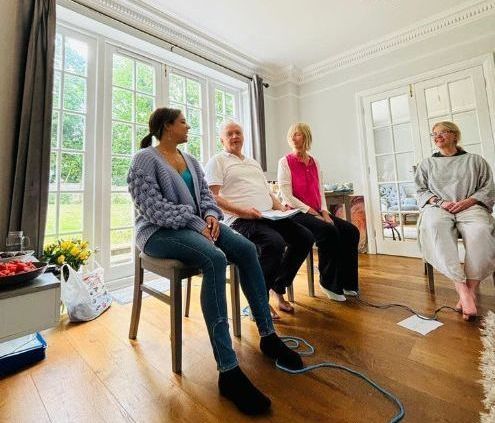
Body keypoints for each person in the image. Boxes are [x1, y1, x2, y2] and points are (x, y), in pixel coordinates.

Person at [127, 108, 303, 415]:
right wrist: (198, 224)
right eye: (183, 122)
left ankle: (267, 336)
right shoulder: (145, 158)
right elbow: (151, 207)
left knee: (247, 249)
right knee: (215, 259)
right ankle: (228, 370)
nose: (188, 125)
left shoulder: (191, 161)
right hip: (158, 232)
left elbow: (208, 199)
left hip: (199, 225)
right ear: (168, 126)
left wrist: (209, 216)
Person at [204, 121, 313, 318]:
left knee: (304, 236)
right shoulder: (217, 161)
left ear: (243, 136)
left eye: (238, 132)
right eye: (230, 134)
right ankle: (259, 303)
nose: (235, 136)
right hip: (239, 220)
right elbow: (213, 197)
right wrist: (243, 211)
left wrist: (282, 210)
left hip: (267, 215)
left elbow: (268, 193)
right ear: (222, 140)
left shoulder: (253, 162)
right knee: (274, 243)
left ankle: (277, 287)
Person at [415, 121, 495, 321]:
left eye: (442, 132)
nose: (437, 136)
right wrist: (440, 202)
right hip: (439, 208)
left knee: (481, 230)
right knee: (433, 226)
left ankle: (471, 288)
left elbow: (487, 188)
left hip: (471, 206)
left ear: (455, 136)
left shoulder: (475, 160)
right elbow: (421, 191)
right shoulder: (427, 164)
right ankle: (463, 290)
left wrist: (467, 201)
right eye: (434, 133)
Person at [277, 122, 360, 302]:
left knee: (351, 231)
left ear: (306, 137)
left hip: (316, 210)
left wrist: (323, 212)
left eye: (297, 134)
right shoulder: (285, 162)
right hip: (296, 213)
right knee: (328, 231)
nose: (293, 137)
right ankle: (329, 283)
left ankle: (347, 282)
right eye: (291, 135)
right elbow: (286, 195)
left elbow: (320, 191)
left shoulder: (315, 162)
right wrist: (311, 211)